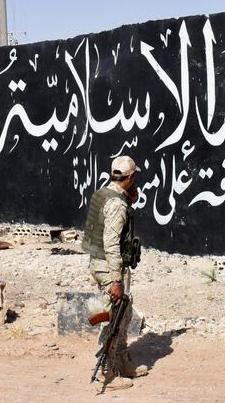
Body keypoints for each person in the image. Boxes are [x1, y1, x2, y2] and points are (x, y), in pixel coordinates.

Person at [81, 155, 147, 393]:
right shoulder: (117, 204)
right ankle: (104, 373)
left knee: (124, 315)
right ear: (129, 178)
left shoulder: (105, 194)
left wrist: (129, 199)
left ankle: (122, 362)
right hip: (109, 267)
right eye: (134, 176)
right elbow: (111, 244)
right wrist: (117, 280)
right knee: (113, 319)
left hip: (101, 263)